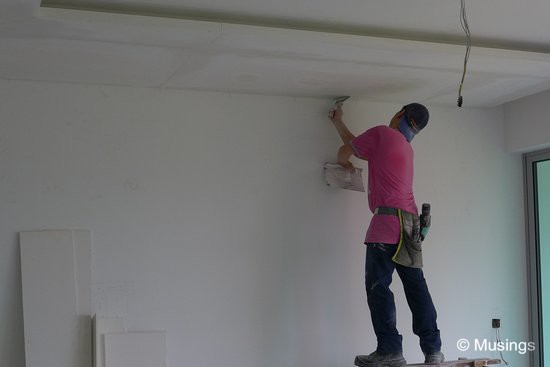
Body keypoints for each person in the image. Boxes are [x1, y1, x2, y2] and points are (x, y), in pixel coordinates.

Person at [329, 102, 443, 367]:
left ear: (399, 114)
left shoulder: (382, 134)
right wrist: (338, 123)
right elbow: (359, 144)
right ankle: (433, 350)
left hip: (387, 224)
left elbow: (346, 151)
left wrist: (342, 163)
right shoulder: (405, 147)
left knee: (379, 287)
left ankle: (390, 349)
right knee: (417, 289)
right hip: (411, 225)